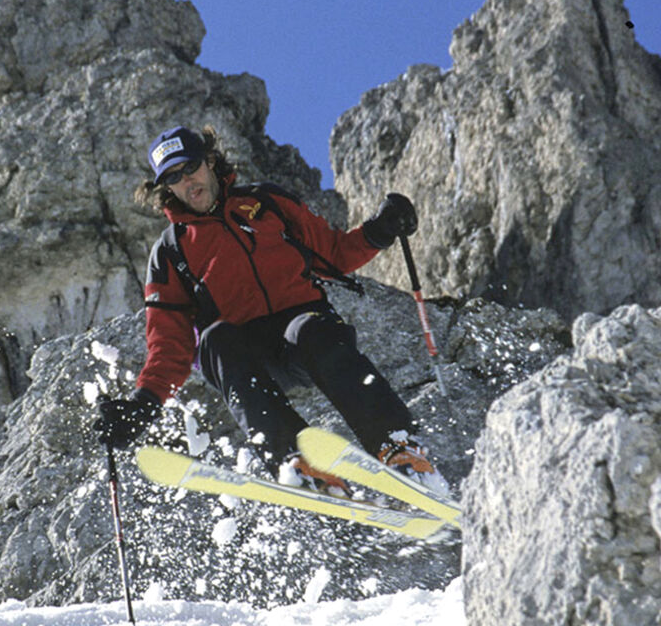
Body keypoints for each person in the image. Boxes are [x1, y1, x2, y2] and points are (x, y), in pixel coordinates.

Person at [94, 124, 441, 494]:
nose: (186, 181)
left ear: (209, 161)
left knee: (311, 328)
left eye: (190, 167)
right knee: (214, 340)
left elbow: (334, 253)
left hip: (304, 336)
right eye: (173, 178)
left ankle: (398, 446)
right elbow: (169, 344)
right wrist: (142, 405)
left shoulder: (267, 203)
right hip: (245, 357)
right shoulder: (171, 252)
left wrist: (381, 230)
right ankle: (299, 461)